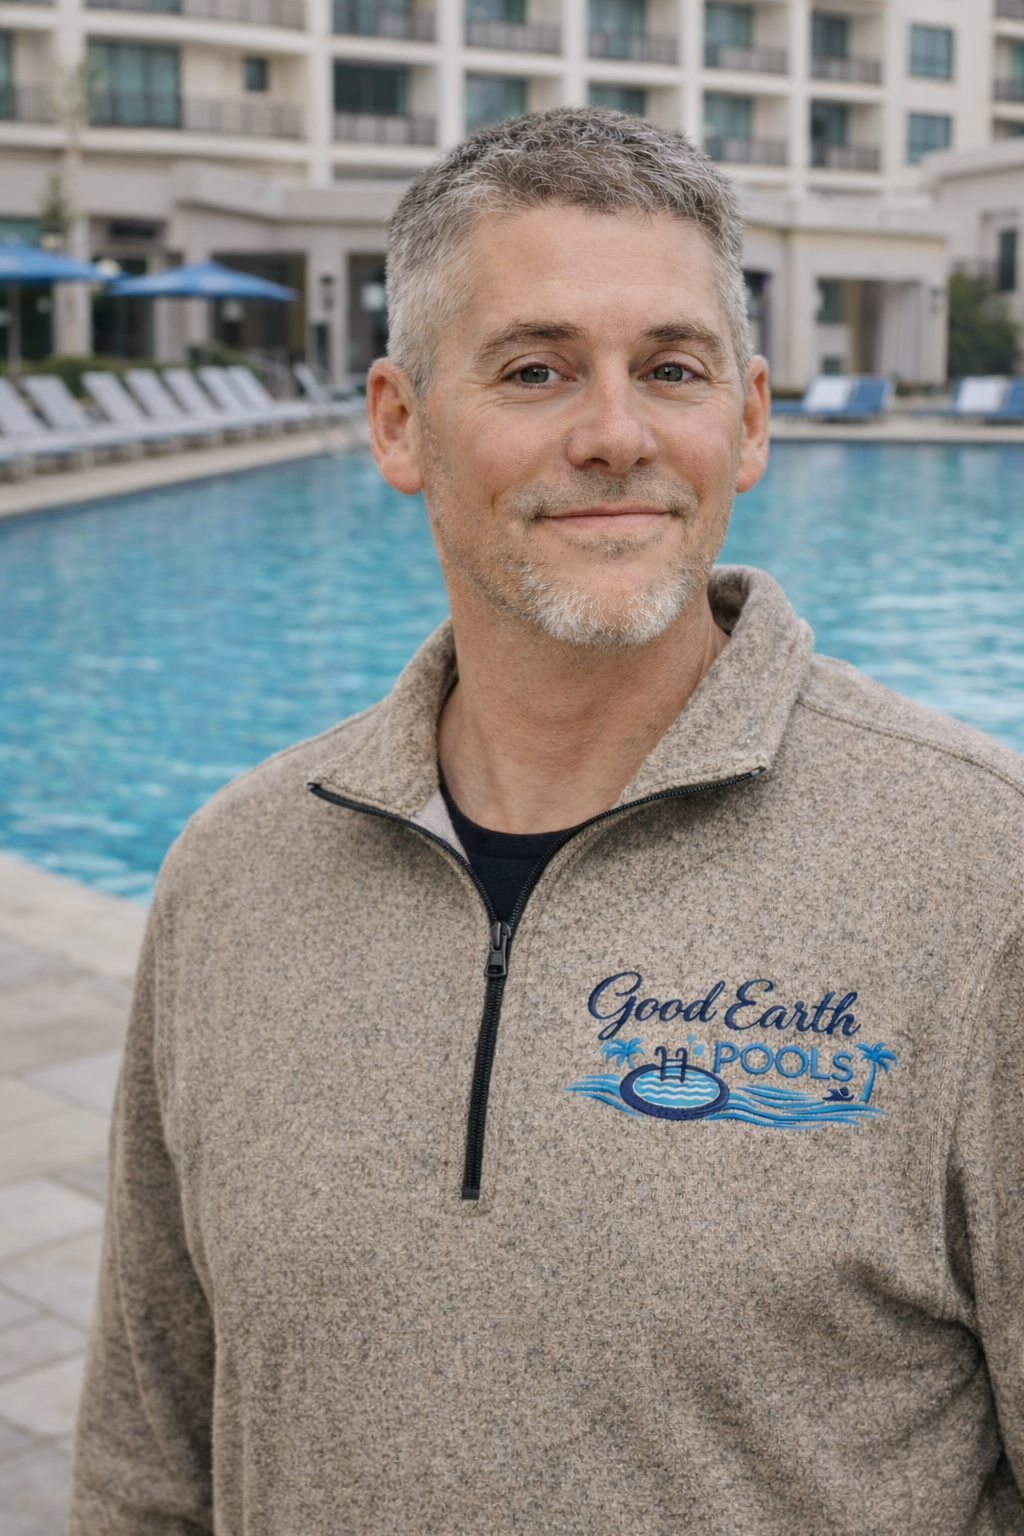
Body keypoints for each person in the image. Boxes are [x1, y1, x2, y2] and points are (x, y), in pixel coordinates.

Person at [70, 108, 1024, 1535]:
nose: (616, 434)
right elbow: (149, 1457)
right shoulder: (234, 873)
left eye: (673, 369)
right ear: (398, 423)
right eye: (535, 369)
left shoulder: (983, 877)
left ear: (750, 418)